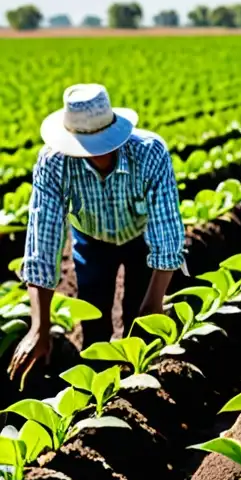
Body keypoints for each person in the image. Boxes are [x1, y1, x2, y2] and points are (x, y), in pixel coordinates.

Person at [9, 83, 185, 382]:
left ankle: (141, 387)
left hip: (142, 240)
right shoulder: (54, 163)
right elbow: (43, 241)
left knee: (139, 322)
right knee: (94, 322)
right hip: (91, 241)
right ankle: (98, 391)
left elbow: (166, 231)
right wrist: (40, 327)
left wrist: (154, 302)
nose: (96, 155)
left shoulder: (149, 153)